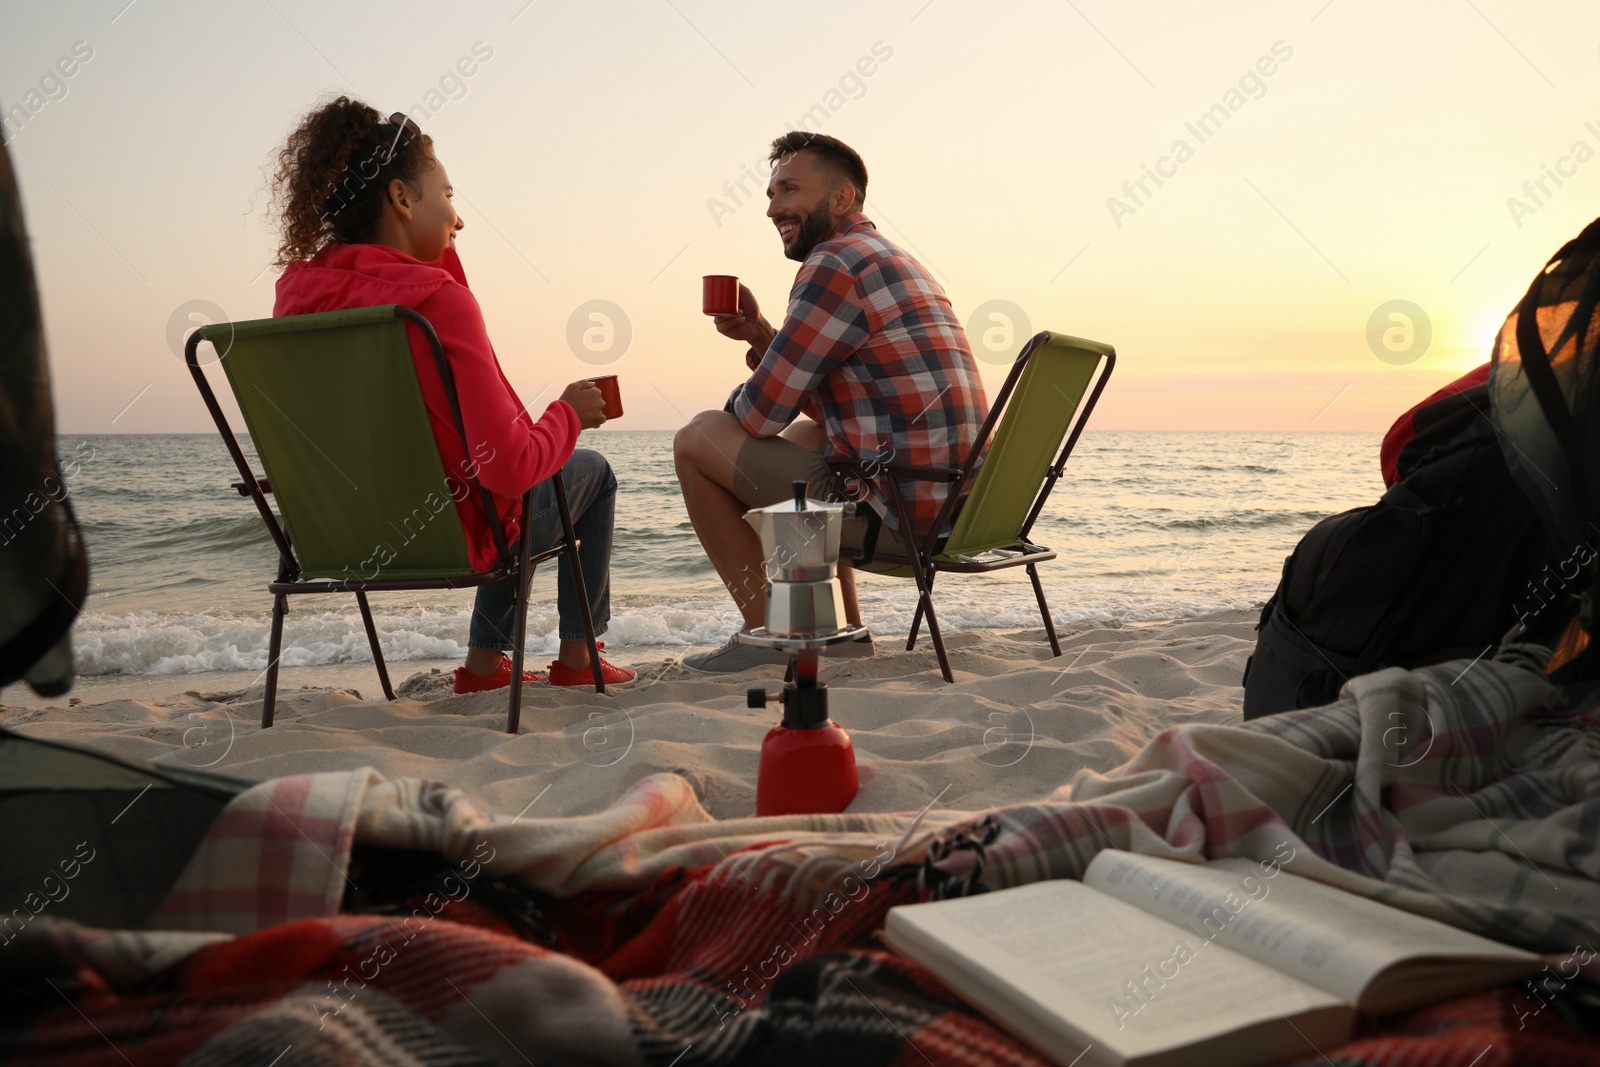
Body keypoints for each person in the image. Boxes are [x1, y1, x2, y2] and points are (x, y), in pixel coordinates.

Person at [269, 98, 634, 691]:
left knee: (480, 476)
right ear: (402, 198)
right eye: (449, 194)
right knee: (589, 469)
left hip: (337, 540)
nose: (458, 220)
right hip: (448, 540)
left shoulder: (296, 302)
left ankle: (488, 664)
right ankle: (575, 658)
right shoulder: (437, 304)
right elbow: (512, 467)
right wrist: (567, 412)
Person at [674, 132, 988, 672]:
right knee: (806, 438)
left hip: (907, 515)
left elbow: (759, 413)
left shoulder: (833, 264)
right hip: (960, 505)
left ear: (842, 198)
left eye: (789, 189)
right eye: (770, 195)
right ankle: (837, 632)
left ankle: (772, 633)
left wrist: (735, 410)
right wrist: (759, 333)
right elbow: (840, 405)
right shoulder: (889, 258)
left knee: (698, 438)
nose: (774, 208)